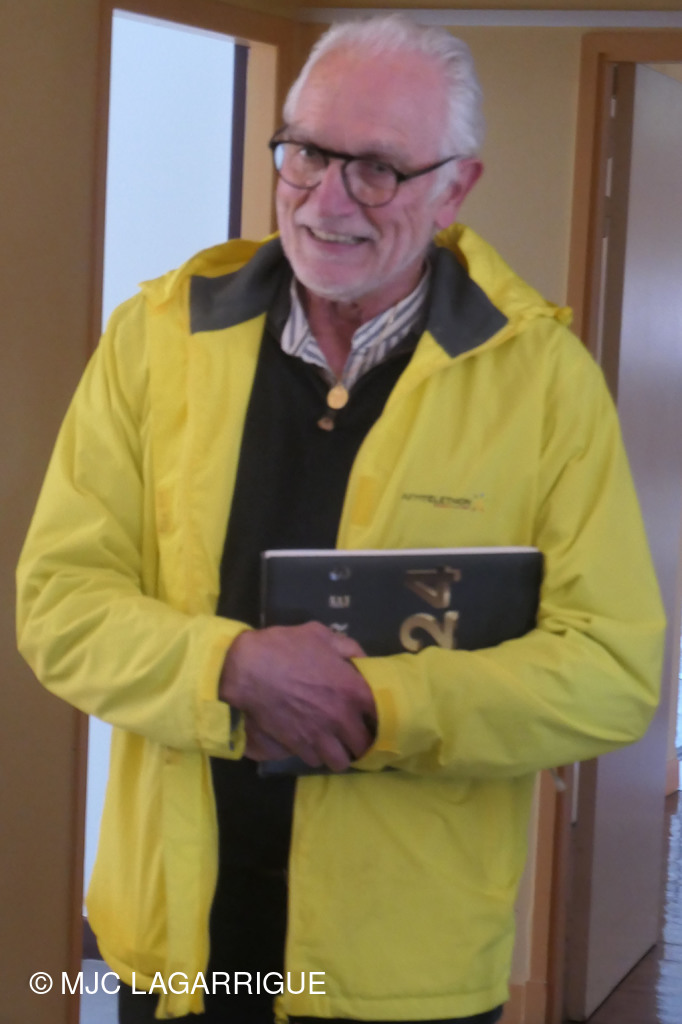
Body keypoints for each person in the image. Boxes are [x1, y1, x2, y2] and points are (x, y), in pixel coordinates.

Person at [16, 14, 664, 1024]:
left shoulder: (544, 384)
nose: (325, 200)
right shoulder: (156, 335)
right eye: (308, 152)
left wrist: (377, 704)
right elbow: (59, 605)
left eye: (377, 170)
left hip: (406, 973)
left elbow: (609, 674)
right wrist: (227, 666)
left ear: (456, 188)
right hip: (176, 952)